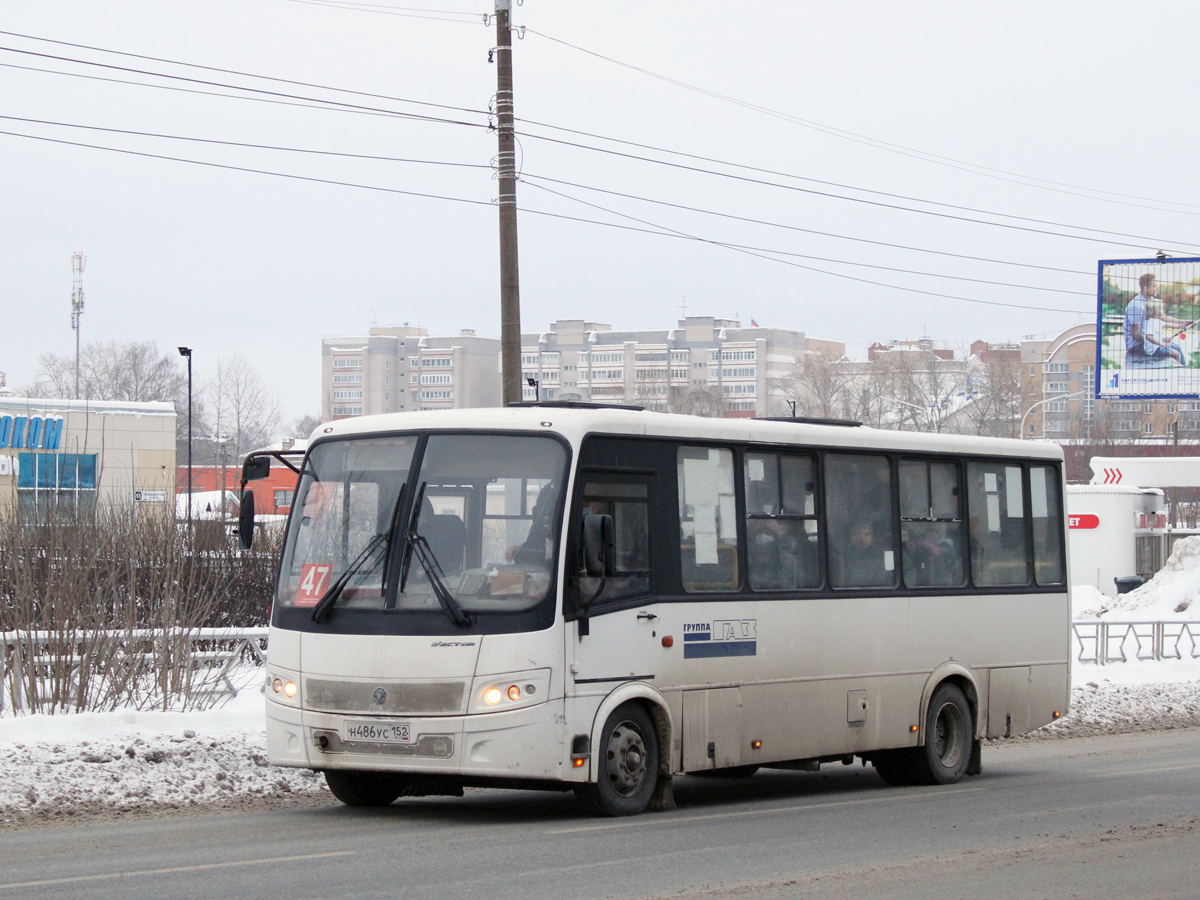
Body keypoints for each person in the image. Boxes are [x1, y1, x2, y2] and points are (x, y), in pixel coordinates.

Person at [1125, 273, 1188, 364]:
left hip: (1148, 342)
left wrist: (1184, 322)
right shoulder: (1136, 306)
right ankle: (1183, 373)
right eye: (1154, 286)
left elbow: (1162, 317)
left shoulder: (1150, 301)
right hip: (1136, 346)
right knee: (1175, 349)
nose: (1157, 288)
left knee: (1177, 348)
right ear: (1146, 288)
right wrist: (1158, 342)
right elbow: (1136, 334)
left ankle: (1182, 373)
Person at [1142, 298, 1185, 365]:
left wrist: (1180, 326)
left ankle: (1184, 366)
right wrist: (1161, 344)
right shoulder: (1151, 322)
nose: (1163, 310)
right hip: (1154, 350)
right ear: (1156, 311)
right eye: (1161, 308)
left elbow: (1169, 325)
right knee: (1177, 354)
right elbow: (1148, 337)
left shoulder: (1157, 321)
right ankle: (1180, 368)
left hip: (1157, 346)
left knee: (1177, 347)